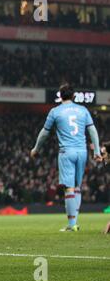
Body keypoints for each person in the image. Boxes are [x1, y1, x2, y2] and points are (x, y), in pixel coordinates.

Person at [30, 83, 102, 232]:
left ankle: (71, 225)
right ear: (74, 96)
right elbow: (92, 130)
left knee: (68, 188)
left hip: (66, 152)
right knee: (77, 187)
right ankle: (75, 222)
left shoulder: (55, 111)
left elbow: (45, 133)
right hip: (82, 152)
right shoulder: (83, 110)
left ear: (60, 96)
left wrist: (36, 148)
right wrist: (96, 152)